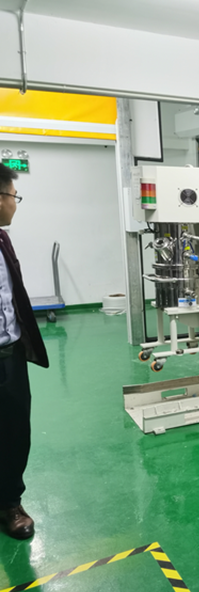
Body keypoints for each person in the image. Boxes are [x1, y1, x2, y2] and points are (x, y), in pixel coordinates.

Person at [0, 163, 48, 540]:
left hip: (10, 355)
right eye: (14, 196)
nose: (16, 204)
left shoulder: (2, 240)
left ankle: (9, 503)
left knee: (15, 430)